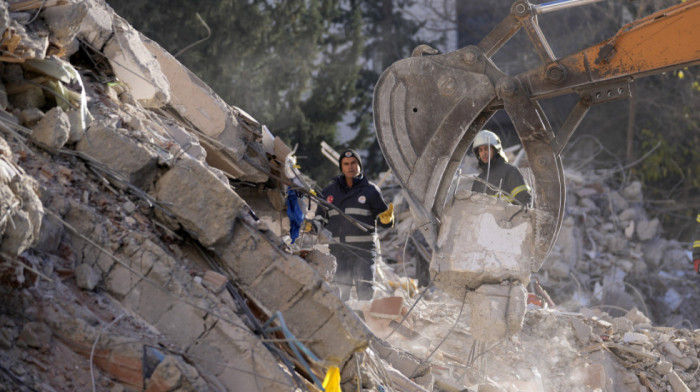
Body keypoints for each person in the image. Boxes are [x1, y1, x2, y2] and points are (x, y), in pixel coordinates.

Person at [312, 149, 394, 301]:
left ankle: (366, 321)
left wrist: (387, 219)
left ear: (359, 165)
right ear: (341, 167)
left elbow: (385, 223)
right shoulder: (329, 192)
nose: (350, 167)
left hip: (363, 251)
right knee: (340, 290)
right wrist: (313, 226)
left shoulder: (371, 191)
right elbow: (320, 218)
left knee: (365, 288)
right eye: (346, 164)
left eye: (353, 163)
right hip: (338, 251)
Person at [471, 130, 531, 206]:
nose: (484, 153)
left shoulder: (511, 172)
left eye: (486, 148)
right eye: (480, 150)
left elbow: (525, 204)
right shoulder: (479, 180)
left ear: (495, 150)